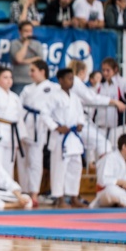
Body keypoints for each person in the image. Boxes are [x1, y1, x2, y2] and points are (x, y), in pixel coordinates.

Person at [40, 68, 86, 208]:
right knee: (59, 169)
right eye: (68, 78)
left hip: (73, 137)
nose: (71, 81)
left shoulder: (75, 97)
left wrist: (80, 124)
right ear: (60, 80)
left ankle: (73, 197)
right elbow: (44, 114)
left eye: (72, 78)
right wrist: (56, 127)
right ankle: (59, 198)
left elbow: (80, 114)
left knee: (75, 167)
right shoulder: (54, 96)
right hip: (60, 137)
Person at [67, 60, 125, 165]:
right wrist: (113, 101)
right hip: (78, 121)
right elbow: (92, 98)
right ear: (81, 72)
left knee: (90, 146)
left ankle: (95, 167)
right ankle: (104, 174)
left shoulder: (72, 82)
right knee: (104, 144)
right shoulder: (76, 82)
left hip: (76, 121)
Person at [17, 60, 58, 205]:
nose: (30, 74)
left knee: (35, 160)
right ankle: (24, 192)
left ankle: (34, 193)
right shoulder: (27, 88)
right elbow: (19, 107)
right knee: (22, 160)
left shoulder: (53, 88)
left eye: (33, 70)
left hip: (39, 126)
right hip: (24, 123)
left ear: (43, 71)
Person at [9, 21, 45, 95]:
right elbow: (18, 59)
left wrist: (23, 61)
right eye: (26, 31)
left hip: (34, 81)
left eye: (30, 31)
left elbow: (40, 60)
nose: (28, 33)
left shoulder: (37, 44)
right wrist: (25, 44)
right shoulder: (14, 43)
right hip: (18, 81)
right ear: (20, 32)